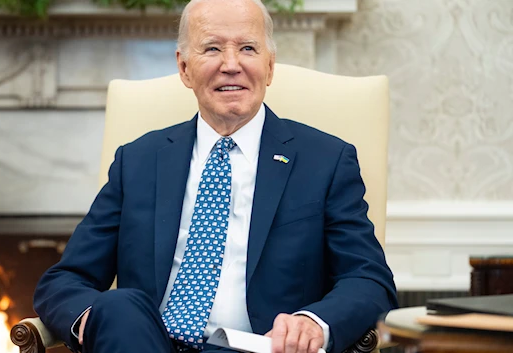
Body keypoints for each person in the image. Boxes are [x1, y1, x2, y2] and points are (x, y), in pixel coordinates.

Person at [33, 0, 398, 352]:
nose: (231, 65)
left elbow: (368, 279)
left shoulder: (326, 160)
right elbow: (65, 280)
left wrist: (313, 322)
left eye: (248, 48)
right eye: (211, 49)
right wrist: (98, 324)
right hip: (146, 343)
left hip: (259, 348)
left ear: (270, 66)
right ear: (184, 67)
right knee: (118, 306)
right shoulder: (138, 161)